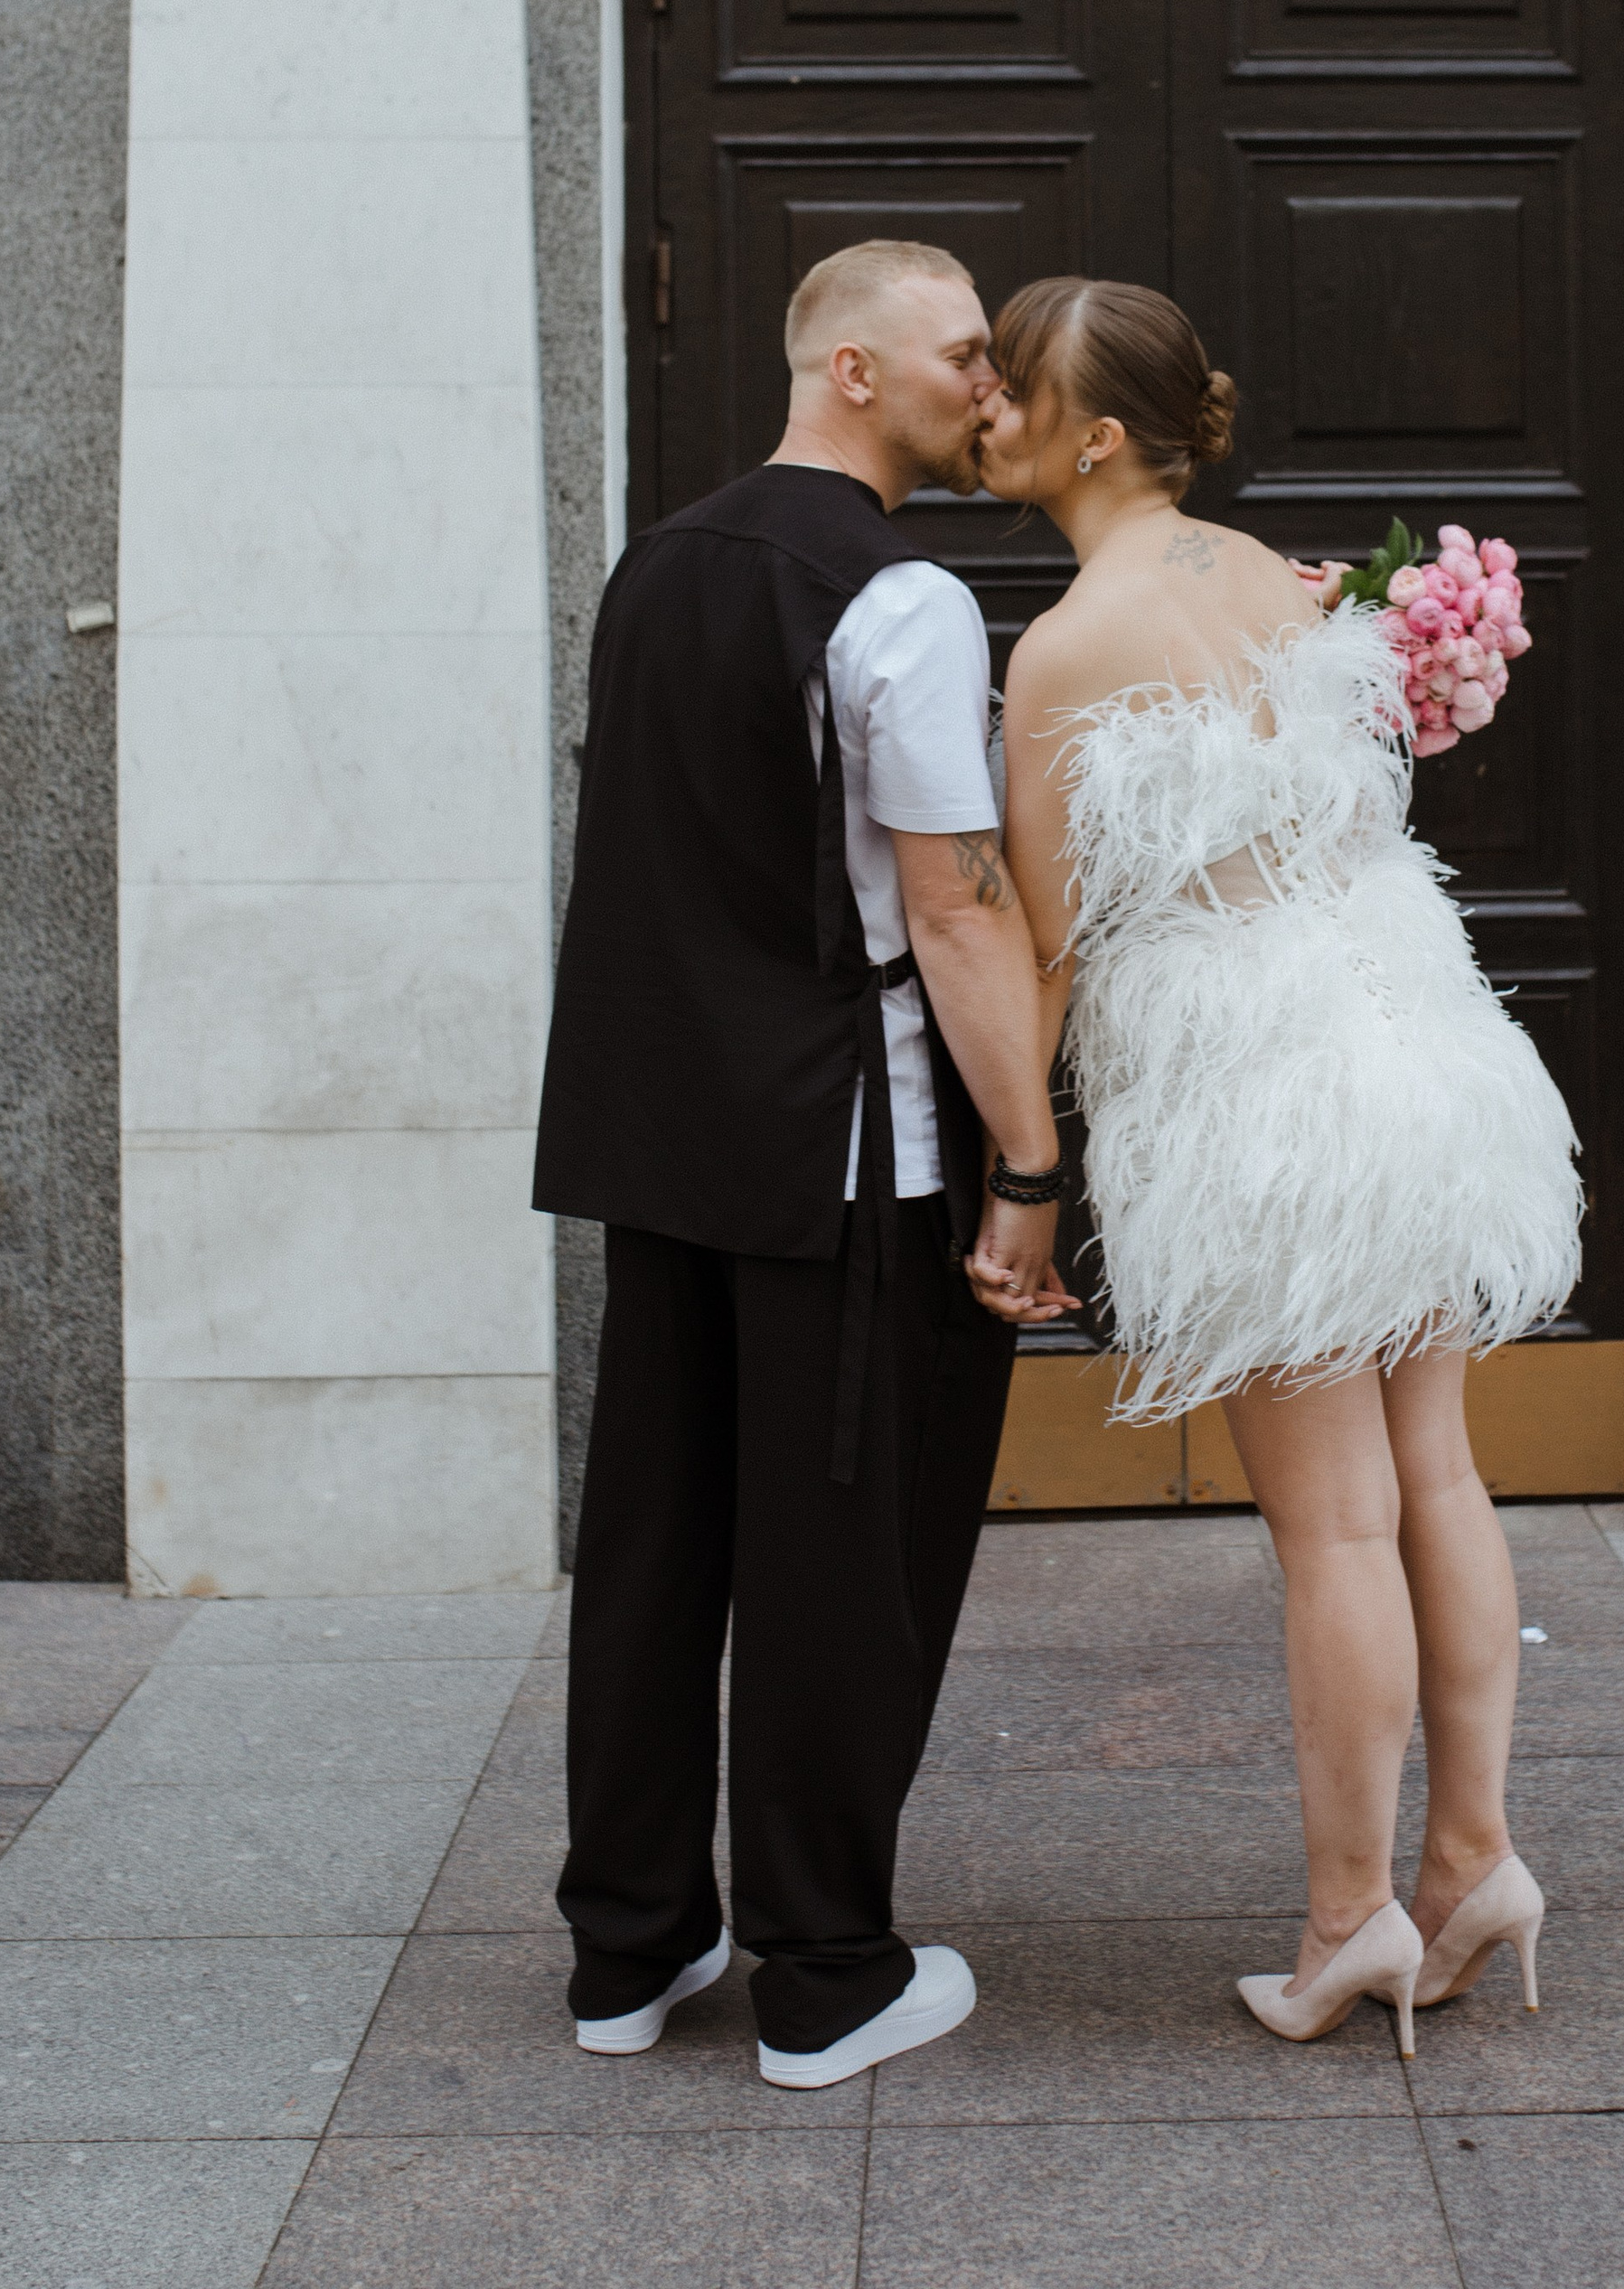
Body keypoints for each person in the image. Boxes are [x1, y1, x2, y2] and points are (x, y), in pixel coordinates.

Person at [972, 276, 1582, 2056]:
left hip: (1262, 1105)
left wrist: (1022, 1169)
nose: (984, 410)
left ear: (1093, 434)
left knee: (1332, 1528)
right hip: (1418, 1045)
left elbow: (1044, 944)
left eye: (1010, 387)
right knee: (1436, 1482)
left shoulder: (1064, 650)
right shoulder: (1277, 576)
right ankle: (1470, 1860)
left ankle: (1346, 1920)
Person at [533, 239, 1075, 2093]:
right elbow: (957, 905)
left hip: (666, 1134)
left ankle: (627, 1948)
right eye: (959, 356)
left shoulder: (653, 566)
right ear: (851, 369)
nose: (987, 390)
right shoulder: (902, 598)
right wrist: (1028, 1164)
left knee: (655, 1541)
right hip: (849, 1148)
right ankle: (826, 1973)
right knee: (845, 1558)